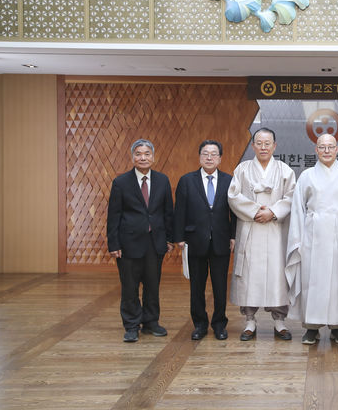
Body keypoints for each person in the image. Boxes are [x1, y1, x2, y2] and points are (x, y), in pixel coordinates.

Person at [286, 133, 338, 345]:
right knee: (312, 281)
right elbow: (297, 209)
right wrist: (297, 239)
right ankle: (311, 327)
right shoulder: (306, 176)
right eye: (322, 147)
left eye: (330, 147)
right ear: (316, 150)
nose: (326, 150)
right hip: (312, 235)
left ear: (337, 149)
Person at [228, 128, 296, 341]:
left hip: (275, 229)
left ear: (274, 146)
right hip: (251, 228)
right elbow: (233, 196)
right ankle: (249, 321)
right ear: (253, 145)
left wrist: (273, 212)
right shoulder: (243, 169)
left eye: (268, 143)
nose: (264, 147)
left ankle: (279, 321)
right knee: (249, 274)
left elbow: (292, 196)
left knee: (277, 274)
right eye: (259, 143)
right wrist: (256, 211)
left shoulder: (285, 170)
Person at [107, 139, 174, 343]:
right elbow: (113, 215)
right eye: (138, 154)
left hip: (155, 243)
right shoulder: (121, 182)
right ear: (132, 157)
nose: (143, 157)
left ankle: (151, 322)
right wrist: (114, 244)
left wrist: (170, 239)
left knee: (153, 285)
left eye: (147, 154)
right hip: (128, 244)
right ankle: (131, 325)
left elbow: (168, 212)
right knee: (130, 286)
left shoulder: (163, 180)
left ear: (153, 157)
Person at [174, 140, 236, 341]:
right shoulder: (187, 180)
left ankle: (219, 324)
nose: (209, 157)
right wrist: (179, 237)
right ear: (199, 157)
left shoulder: (229, 180)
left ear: (220, 158)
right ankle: (199, 324)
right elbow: (179, 211)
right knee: (197, 287)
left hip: (221, 241)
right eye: (205, 154)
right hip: (194, 241)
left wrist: (233, 235)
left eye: (214, 154)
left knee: (220, 287)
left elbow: (234, 212)